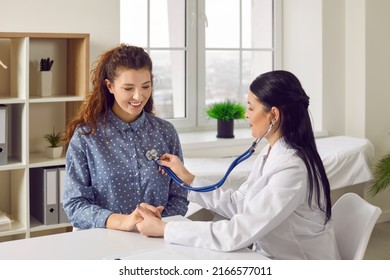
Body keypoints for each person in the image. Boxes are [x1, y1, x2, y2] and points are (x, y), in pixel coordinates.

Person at [136, 70, 341, 260]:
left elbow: (238, 233)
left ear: (274, 115)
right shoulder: (272, 153)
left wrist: (164, 229)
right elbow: (240, 204)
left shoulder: (293, 169)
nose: (246, 114)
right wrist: (187, 178)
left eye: (251, 107)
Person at [63, 44, 188, 231]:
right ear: (110, 86)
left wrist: (156, 222)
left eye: (145, 86)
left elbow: (179, 197)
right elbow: (75, 205)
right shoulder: (86, 137)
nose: (139, 95)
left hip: (156, 239)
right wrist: (124, 221)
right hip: (103, 240)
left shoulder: (166, 132)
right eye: (128, 88)